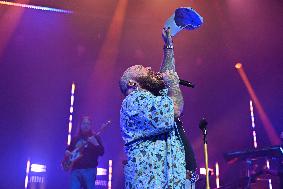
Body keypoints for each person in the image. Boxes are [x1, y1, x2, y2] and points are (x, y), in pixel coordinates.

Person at [119, 28, 197, 188]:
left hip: (173, 181)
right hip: (153, 183)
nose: (148, 67)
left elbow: (165, 75)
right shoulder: (134, 101)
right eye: (142, 68)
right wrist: (173, 82)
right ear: (132, 83)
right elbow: (175, 108)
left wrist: (168, 47)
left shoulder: (152, 99)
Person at [64, 116, 104, 189]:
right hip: (75, 170)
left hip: (90, 170)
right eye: (84, 123)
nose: (86, 125)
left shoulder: (95, 137)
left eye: (88, 124)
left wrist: (96, 144)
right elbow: (68, 150)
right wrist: (67, 152)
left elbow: (102, 152)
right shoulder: (75, 139)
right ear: (80, 125)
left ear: (90, 126)